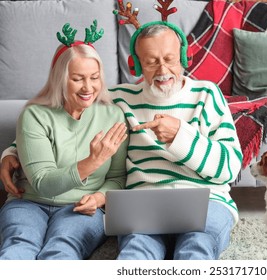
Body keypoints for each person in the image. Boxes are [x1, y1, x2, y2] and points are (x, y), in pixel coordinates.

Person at [1, 22, 243, 260]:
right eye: (151, 62)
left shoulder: (207, 94)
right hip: (144, 200)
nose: (162, 70)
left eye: (170, 59)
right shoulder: (119, 99)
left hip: (205, 199)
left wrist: (181, 136)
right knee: (135, 254)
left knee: (197, 248)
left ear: (183, 57)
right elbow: (64, 116)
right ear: (136, 65)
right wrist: (12, 153)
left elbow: (230, 169)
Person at [0, 22, 128, 260]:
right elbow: (42, 183)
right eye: (78, 79)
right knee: (20, 245)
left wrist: (100, 198)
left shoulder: (113, 115)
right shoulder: (34, 114)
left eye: (95, 77)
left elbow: (118, 177)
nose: (88, 87)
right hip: (29, 201)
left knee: (62, 249)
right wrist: (93, 160)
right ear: (60, 78)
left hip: (82, 207)